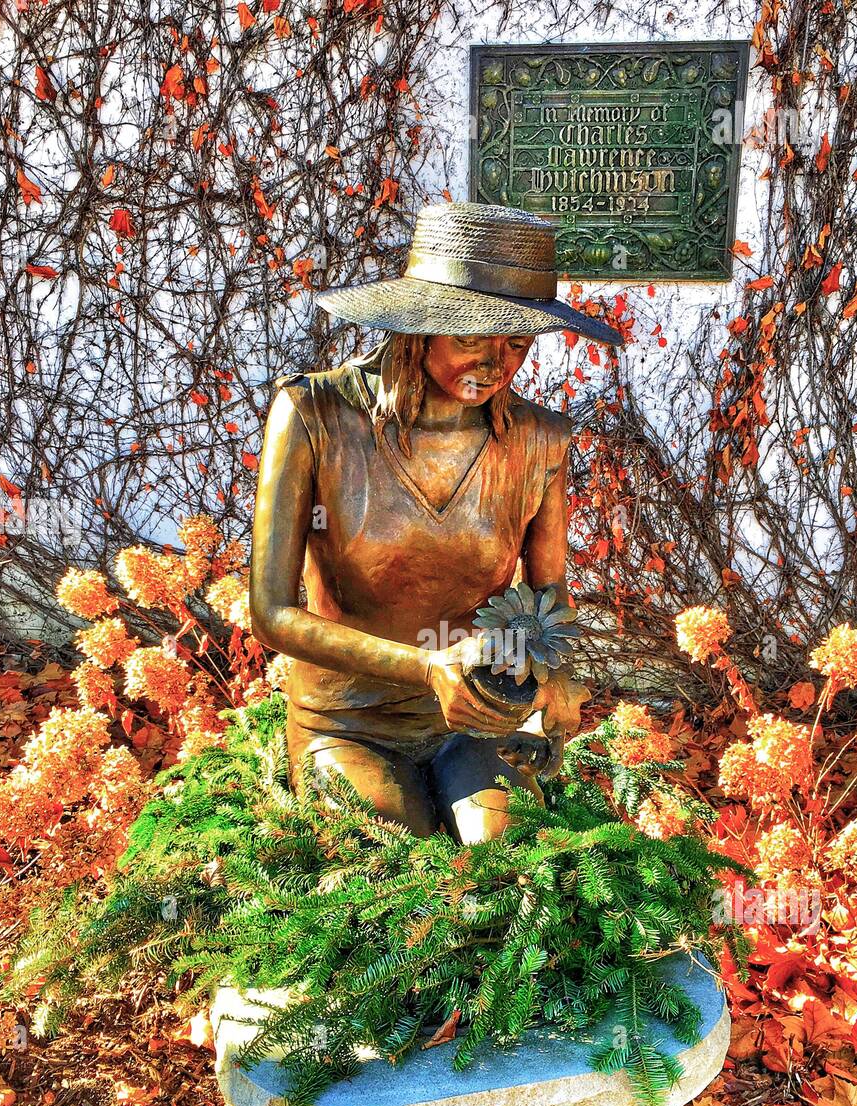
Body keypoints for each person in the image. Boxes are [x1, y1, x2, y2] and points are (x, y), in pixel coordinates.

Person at [250, 200, 621, 843]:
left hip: (479, 714)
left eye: (516, 341)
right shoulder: (315, 415)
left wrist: (549, 671)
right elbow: (271, 613)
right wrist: (427, 667)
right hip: (347, 719)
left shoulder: (539, 439)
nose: (495, 363)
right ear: (419, 329)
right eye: (471, 337)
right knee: (407, 861)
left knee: (500, 858)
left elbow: (546, 595)